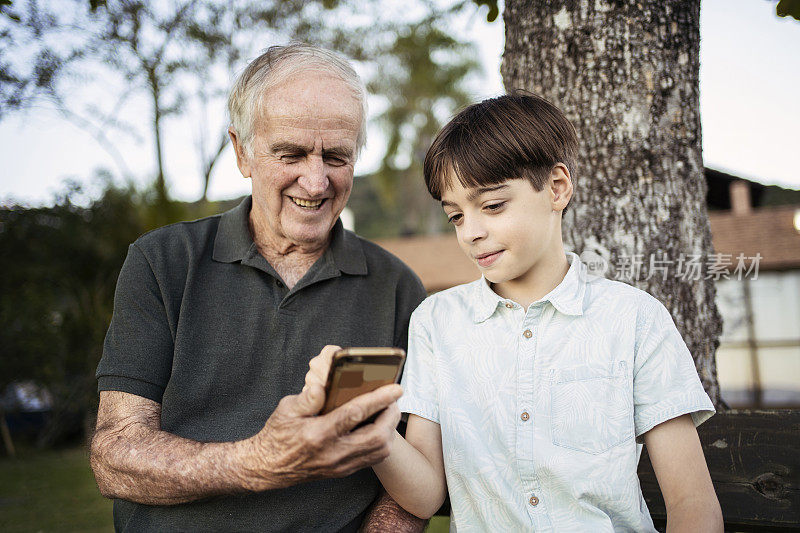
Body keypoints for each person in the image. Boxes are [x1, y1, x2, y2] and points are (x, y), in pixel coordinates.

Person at [305, 92, 724, 531]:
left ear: (557, 188)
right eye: (456, 216)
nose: (472, 232)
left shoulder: (634, 319)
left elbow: (691, 503)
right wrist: (374, 434)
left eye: (491, 206)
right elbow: (426, 496)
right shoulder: (435, 322)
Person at [90, 43, 428, 532]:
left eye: (336, 156)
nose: (315, 183)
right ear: (242, 151)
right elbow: (115, 454)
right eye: (290, 153)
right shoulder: (163, 262)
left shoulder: (397, 287)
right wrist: (256, 462)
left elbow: (415, 474)